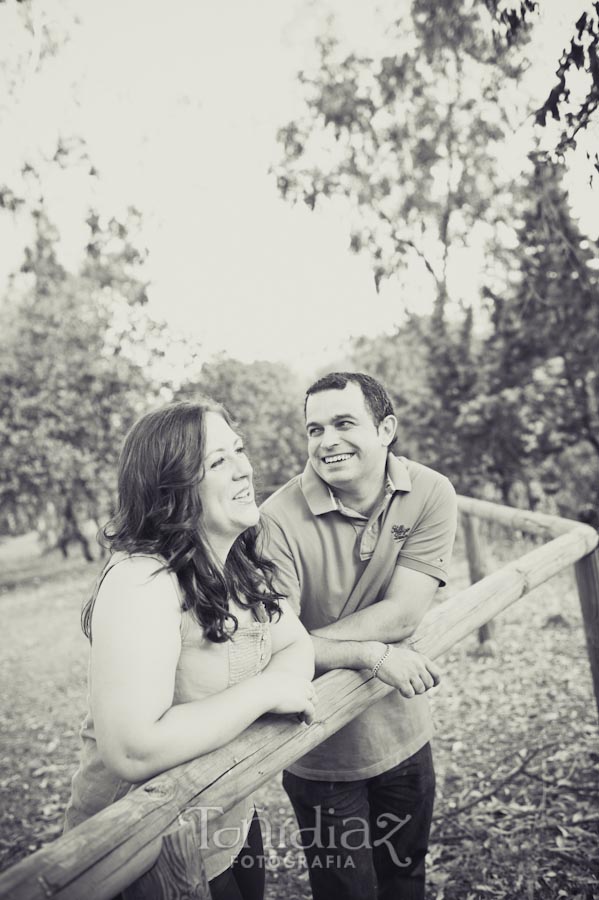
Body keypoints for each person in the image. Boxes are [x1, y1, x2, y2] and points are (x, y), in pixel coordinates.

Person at [64, 399, 316, 900]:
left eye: (239, 450)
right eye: (217, 461)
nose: (244, 468)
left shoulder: (236, 566)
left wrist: (279, 684)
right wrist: (267, 691)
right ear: (172, 489)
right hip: (140, 850)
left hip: (228, 819)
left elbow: (296, 645)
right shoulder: (142, 580)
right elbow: (134, 748)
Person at [260, 372, 458, 900]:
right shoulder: (274, 520)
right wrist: (366, 652)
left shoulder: (431, 491)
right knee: (347, 892)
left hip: (404, 726)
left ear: (386, 428)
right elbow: (272, 648)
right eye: (314, 428)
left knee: (405, 877)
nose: (327, 441)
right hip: (320, 748)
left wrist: (304, 645)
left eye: (344, 423)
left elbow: (402, 615)